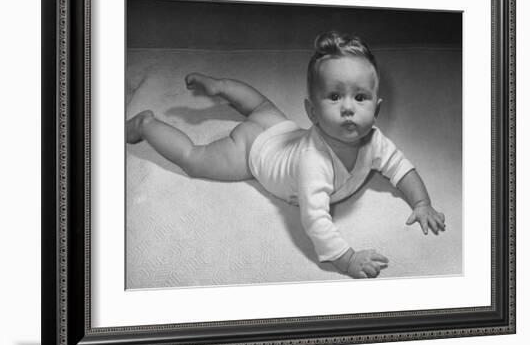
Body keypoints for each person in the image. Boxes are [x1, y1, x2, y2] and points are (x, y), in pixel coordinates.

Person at [126, 31, 446, 278]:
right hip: (252, 151)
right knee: (194, 158)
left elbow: (401, 168)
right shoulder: (314, 165)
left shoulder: (375, 140)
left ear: (376, 109)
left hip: (279, 125)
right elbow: (316, 221)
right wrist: (347, 260)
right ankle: (148, 124)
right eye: (334, 96)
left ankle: (223, 87)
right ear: (312, 111)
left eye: (360, 97)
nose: (348, 107)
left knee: (261, 107)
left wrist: (421, 202)